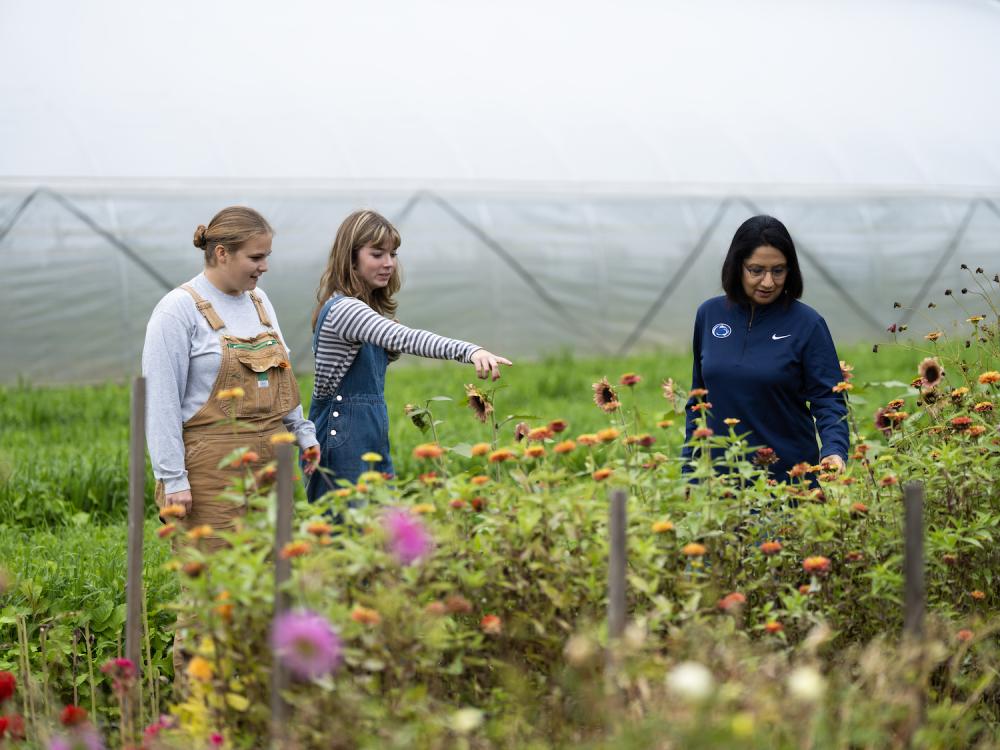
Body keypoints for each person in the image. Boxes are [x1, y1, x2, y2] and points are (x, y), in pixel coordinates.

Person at [142, 206, 319, 676]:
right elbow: (159, 402)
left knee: (269, 580)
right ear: (221, 253)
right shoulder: (178, 310)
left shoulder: (261, 304)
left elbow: (284, 373)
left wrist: (302, 433)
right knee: (211, 590)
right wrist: (172, 477)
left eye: (267, 256)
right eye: (256, 257)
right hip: (208, 467)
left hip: (270, 458)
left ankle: (257, 694)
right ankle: (199, 708)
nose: (264, 266)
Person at [307, 209, 511, 499]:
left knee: (376, 522)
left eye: (393, 254)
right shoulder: (345, 309)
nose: (388, 263)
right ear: (350, 258)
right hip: (342, 434)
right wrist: (469, 350)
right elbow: (409, 338)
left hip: (367, 429)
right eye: (377, 254)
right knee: (345, 527)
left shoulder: (361, 309)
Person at [682, 215, 848, 481]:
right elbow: (698, 403)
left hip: (788, 485)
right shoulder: (710, 315)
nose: (768, 282)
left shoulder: (807, 323)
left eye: (778, 270)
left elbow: (829, 398)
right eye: (756, 270)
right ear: (738, 267)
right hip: (720, 490)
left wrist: (834, 450)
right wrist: (689, 473)